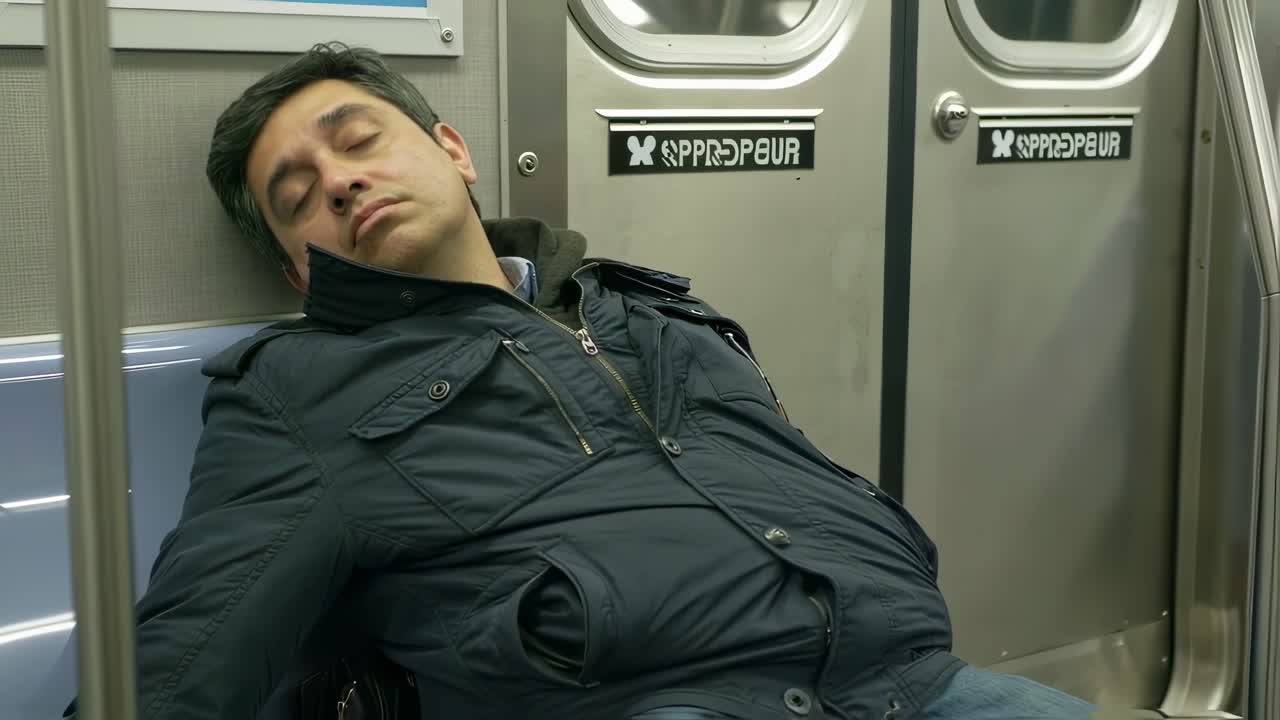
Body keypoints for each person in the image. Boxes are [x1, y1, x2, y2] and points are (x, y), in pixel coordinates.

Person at [64, 42, 1096, 720]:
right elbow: (191, 648)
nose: (338, 181)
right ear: (299, 267)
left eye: (357, 142)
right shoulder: (299, 390)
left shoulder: (644, 308)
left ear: (453, 150)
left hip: (908, 680)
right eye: (299, 196)